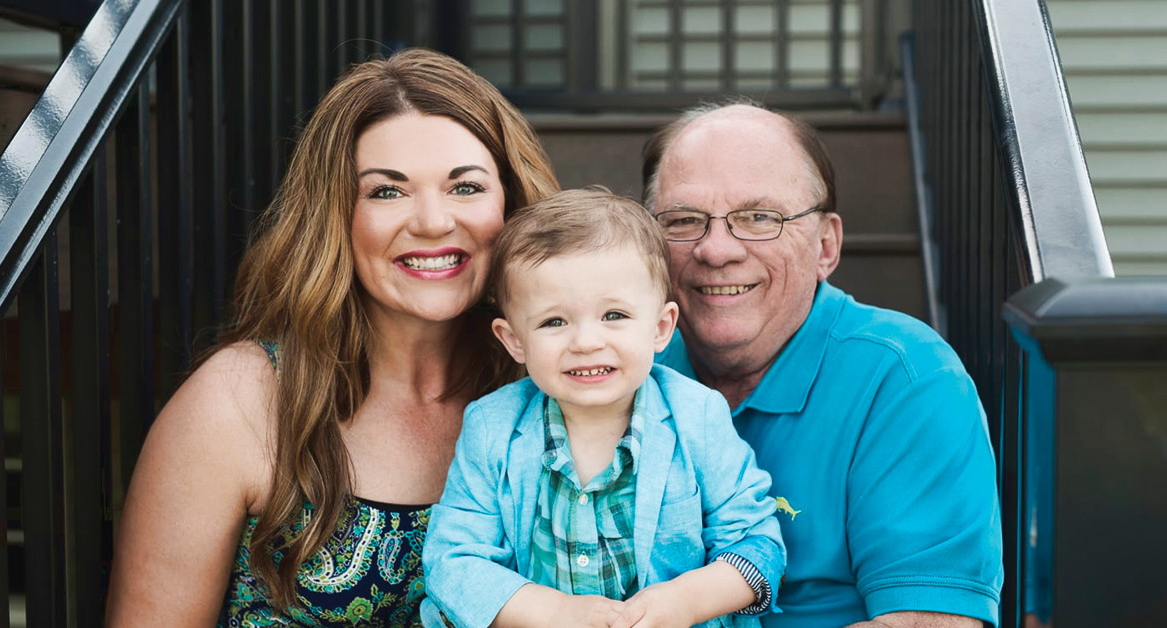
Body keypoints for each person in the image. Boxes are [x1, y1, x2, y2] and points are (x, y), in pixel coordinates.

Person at [105, 48, 559, 627]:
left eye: (465, 187)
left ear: (512, 205)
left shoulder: (553, 383)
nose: (432, 222)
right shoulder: (240, 401)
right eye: (387, 191)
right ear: (334, 215)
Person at [642, 102, 1004, 628]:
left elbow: (933, 622)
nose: (716, 250)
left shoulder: (906, 378)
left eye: (759, 218)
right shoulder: (619, 368)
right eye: (683, 220)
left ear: (826, 246)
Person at [421, 188, 787, 628]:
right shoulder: (492, 427)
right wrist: (552, 612)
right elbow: (452, 561)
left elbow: (758, 544)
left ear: (660, 327)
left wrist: (686, 601)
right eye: (554, 321)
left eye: (614, 315)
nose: (586, 342)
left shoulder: (698, 417)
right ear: (514, 340)